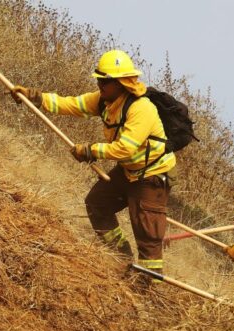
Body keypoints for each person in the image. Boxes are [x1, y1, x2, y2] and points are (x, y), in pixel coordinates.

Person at [10, 50, 177, 275]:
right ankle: (121, 258)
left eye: (105, 81)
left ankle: (149, 286)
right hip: (128, 171)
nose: (100, 84)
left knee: (148, 237)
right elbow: (72, 104)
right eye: (99, 78)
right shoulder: (105, 101)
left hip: (151, 177)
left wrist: (90, 150)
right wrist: (36, 97)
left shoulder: (141, 108)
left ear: (121, 83)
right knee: (98, 203)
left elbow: (124, 148)